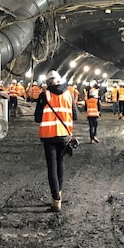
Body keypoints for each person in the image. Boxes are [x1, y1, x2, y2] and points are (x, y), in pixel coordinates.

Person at [34, 70, 78, 213]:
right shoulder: (68, 94)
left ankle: (56, 202)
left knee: (51, 168)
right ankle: (58, 194)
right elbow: (75, 115)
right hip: (64, 135)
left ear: (48, 82)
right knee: (60, 165)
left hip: (49, 136)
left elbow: (37, 118)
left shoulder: (44, 95)